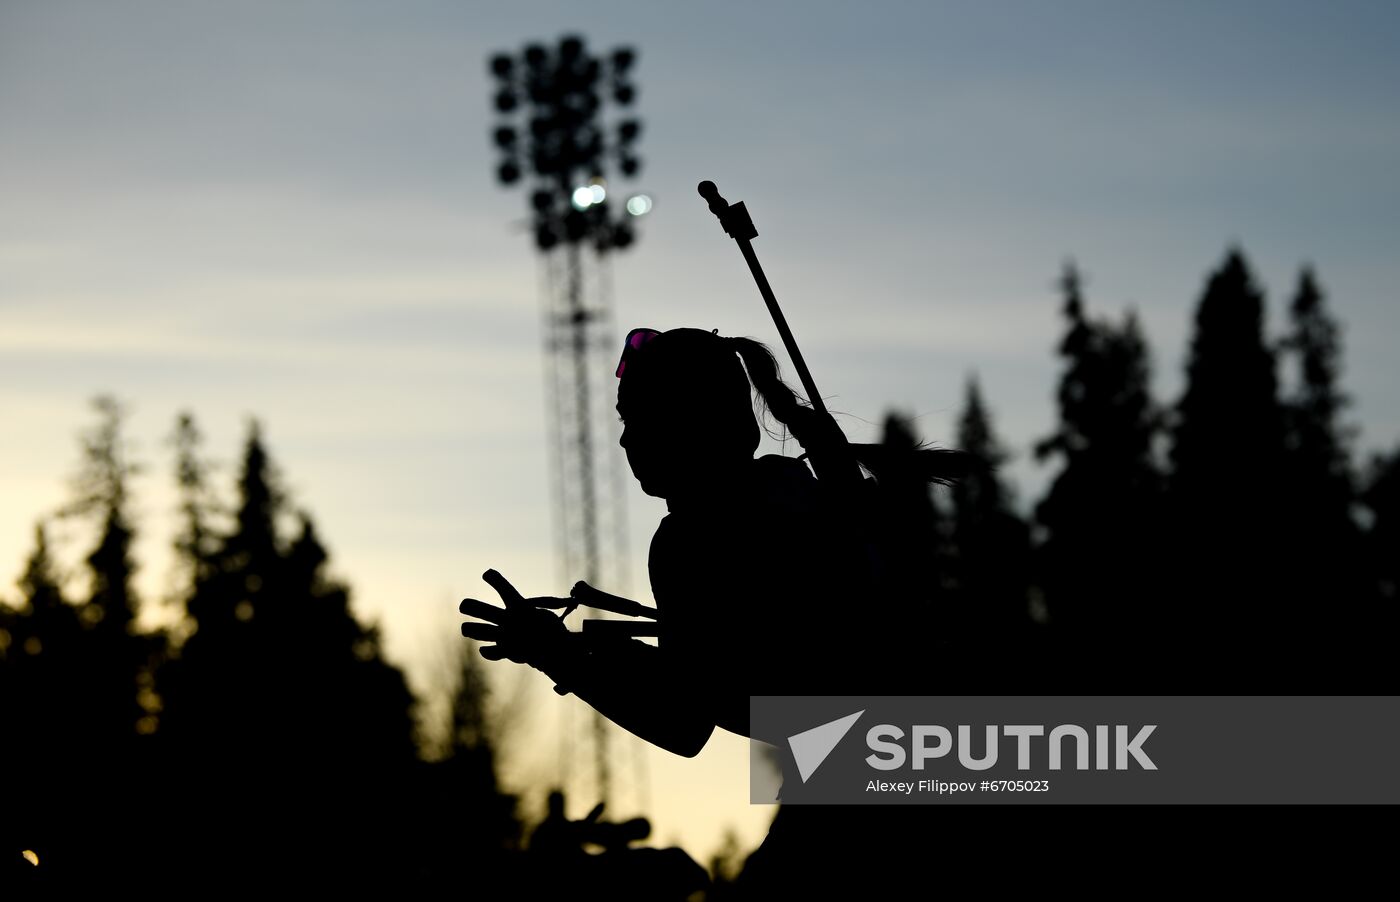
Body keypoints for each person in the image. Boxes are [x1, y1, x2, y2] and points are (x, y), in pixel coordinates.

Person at [460, 326, 954, 894]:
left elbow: (685, 718)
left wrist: (561, 656)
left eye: (638, 418)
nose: (624, 440)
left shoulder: (692, 538)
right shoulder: (802, 493)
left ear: (693, 423)